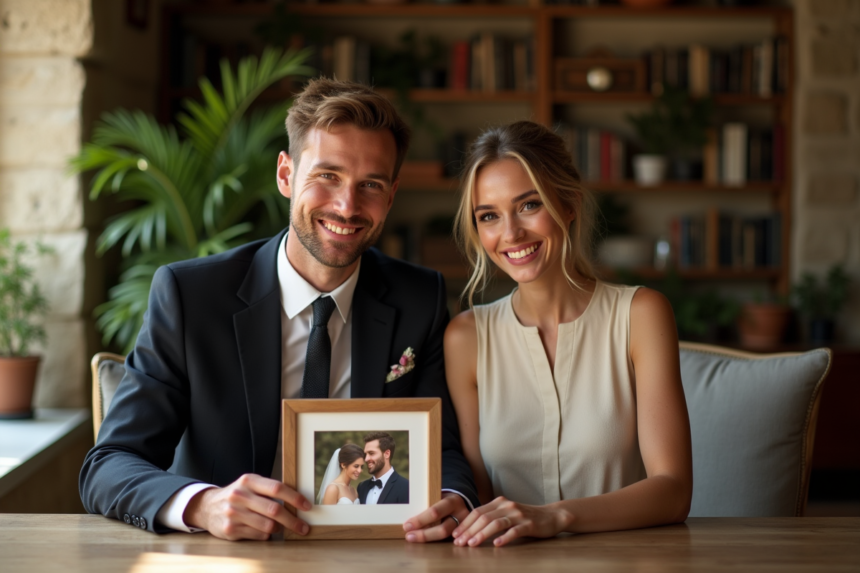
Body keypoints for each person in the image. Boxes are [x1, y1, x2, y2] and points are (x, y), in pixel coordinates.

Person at [80, 78, 477, 541]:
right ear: (286, 176)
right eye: (327, 176)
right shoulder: (190, 296)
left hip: (367, 554)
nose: (347, 206)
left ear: (389, 197)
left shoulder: (419, 298)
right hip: (224, 559)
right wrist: (203, 505)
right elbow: (108, 465)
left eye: (369, 184)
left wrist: (455, 498)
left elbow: (443, 447)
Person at [441, 121, 693, 547]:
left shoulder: (641, 314)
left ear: (569, 202)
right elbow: (476, 492)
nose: (511, 233)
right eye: (489, 216)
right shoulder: (466, 337)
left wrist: (555, 516)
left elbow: (673, 490)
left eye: (529, 205)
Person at [357, 432, 409, 505]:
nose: (366, 459)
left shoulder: (406, 487)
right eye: (365, 454)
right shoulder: (362, 487)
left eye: (371, 453)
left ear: (387, 454)